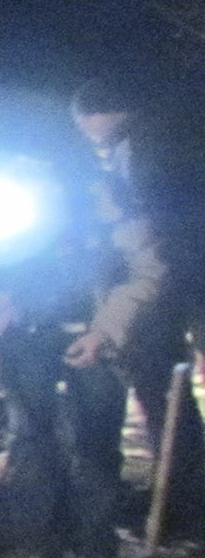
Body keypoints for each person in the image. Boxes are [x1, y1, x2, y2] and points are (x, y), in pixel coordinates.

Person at [66, 79, 205, 533]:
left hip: (162, 286)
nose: (89, 136)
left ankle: (186, 502)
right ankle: (181, 496)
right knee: (162, 399)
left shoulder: (154, 149)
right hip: (151, 285)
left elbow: (155, 247)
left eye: (91, 127)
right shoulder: (129, 150)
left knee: (164, 399)